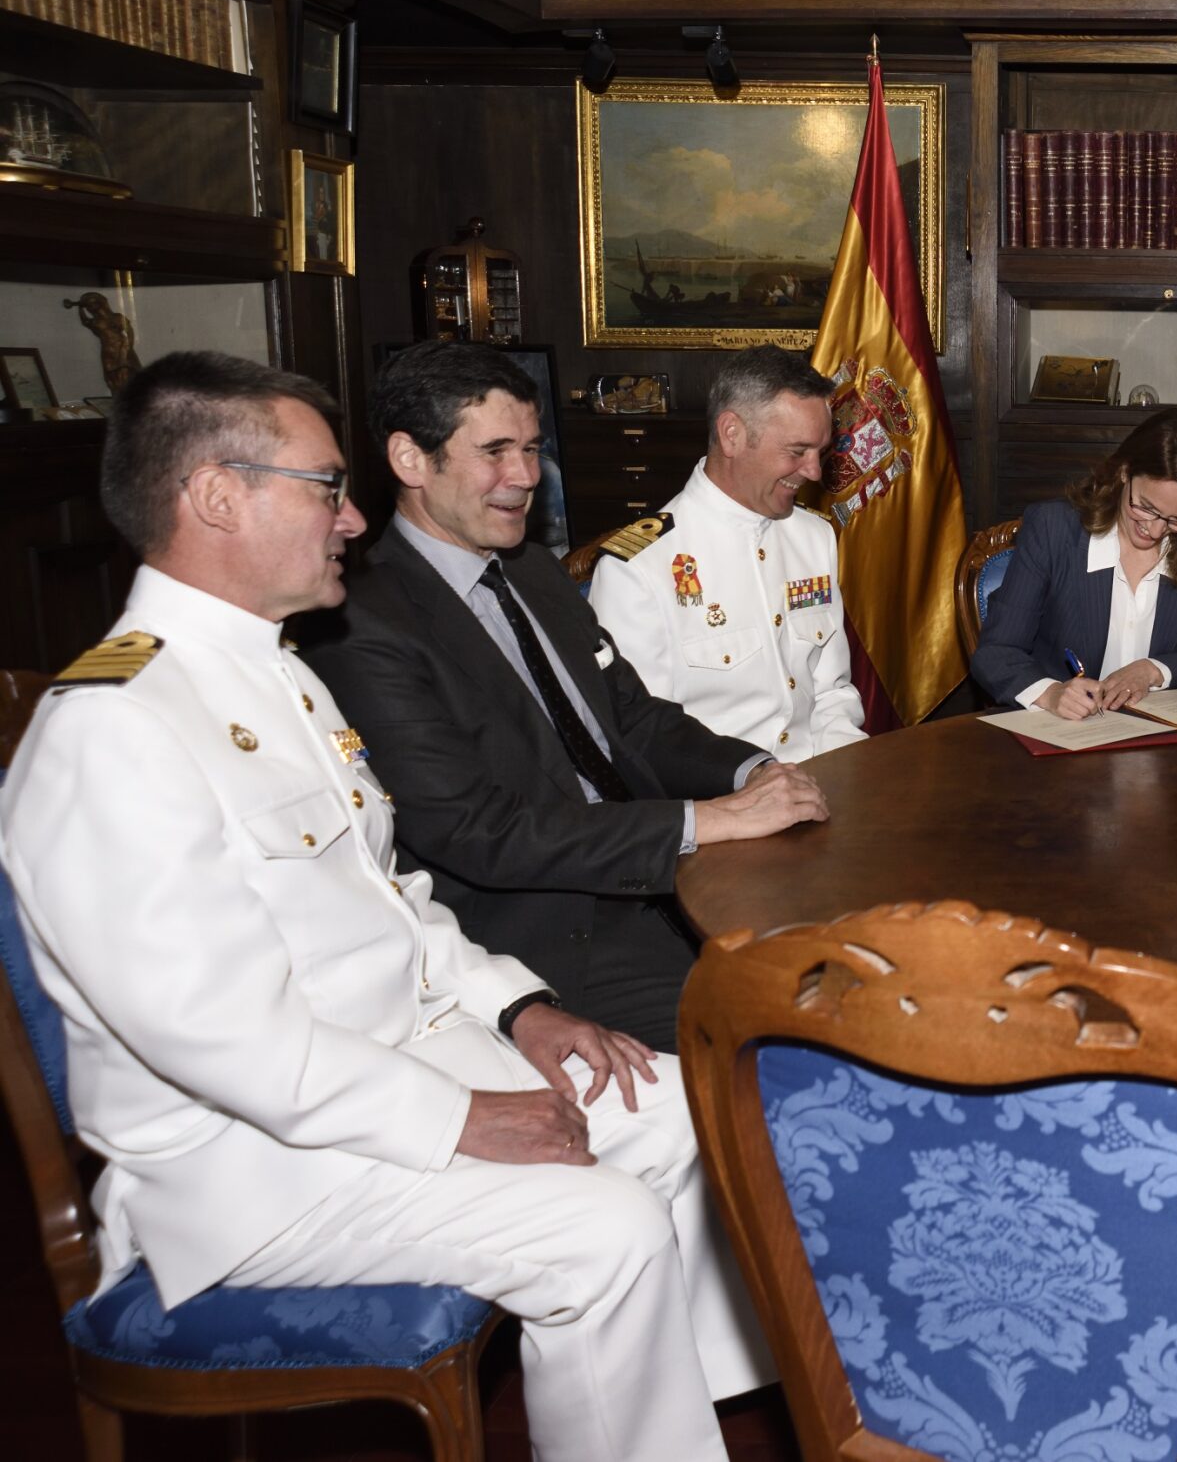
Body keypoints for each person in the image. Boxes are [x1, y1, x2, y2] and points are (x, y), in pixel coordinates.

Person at [0, 353, 767, 1462]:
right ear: (219, 496)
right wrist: (462, 1117)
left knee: (668, 1106)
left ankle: (653, 1423)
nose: (355, 518)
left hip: (395, 1066)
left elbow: (389, 894)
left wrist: (522, 1010)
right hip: (243, 1165)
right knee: (608, 1227)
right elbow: (215, 1035)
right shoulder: (115, 726)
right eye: (324, 486)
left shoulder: (282, 671)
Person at [298, 342, 828, 1053]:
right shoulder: (363, 625)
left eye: (531, 447)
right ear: (410, 460)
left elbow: (633, 720)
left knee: (855, 972)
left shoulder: (533, 572)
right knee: (785, 1039)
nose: (525, 477)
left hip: (662, 876)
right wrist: (704, 820)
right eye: (495, 452)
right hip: (548, 932)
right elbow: (482, 833)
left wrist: (752, 772)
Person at [589, 346, 867, 761]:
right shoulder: (640, 566)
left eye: (820, 453)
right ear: (732, 434)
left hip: (821, 782)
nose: (813, 472)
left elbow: (831, 693)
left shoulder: (813, 537)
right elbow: (638, 737)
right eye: (797, 452)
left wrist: (849, 780)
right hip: (719, 804)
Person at [971, 407, 1177, 718]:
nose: (1154, 529)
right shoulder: (1054, 531)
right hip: (1062, 736)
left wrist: (1152, 670)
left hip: (1158, 741)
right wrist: (1051, 693)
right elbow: (996, 652)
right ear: (1124, 472)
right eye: (1145, 506)